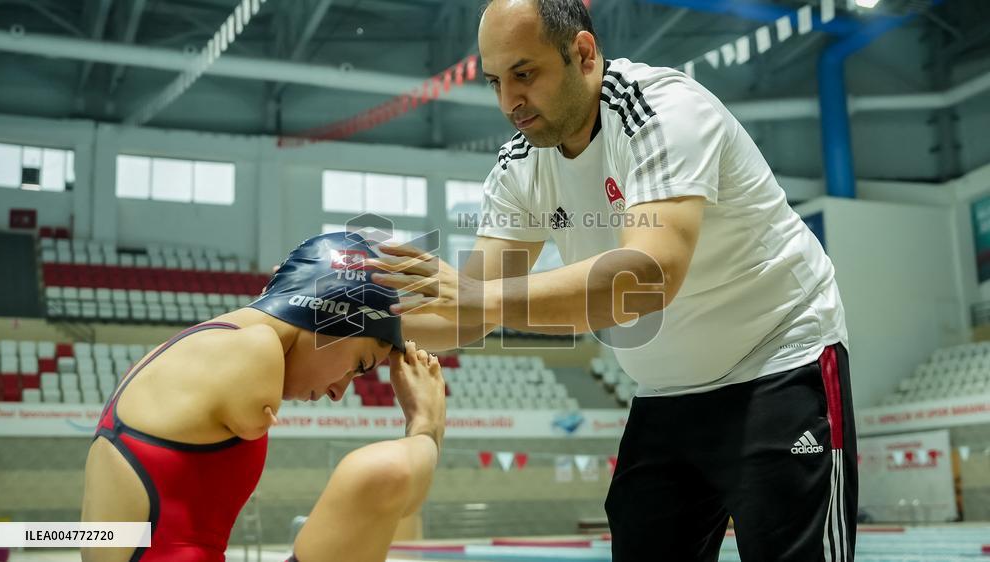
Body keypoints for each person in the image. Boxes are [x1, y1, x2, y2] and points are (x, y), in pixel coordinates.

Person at [367, 1, 856, 561]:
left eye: (524, 74)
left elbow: (646, 279)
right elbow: (466, 314)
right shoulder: (520, 165)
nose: (509, 102)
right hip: (667, 391)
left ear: (582, 53)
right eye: (496, 82)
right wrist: (336, 328)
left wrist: (480, 298)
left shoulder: (661, 110)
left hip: (779, 360)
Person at [80, 232, 446, 562]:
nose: (339, 392)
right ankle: (425, 427)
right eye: (359, 365)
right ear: (331, 316)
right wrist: (425, 423)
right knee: (379, 473)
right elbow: (392, 482)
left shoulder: (183, 351)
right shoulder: (254, 346)